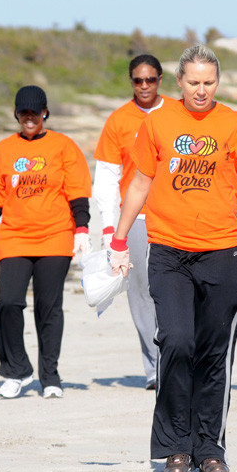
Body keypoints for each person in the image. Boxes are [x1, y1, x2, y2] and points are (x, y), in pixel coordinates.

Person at [109, 45, 237, 472]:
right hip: (169, 252)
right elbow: (139, 181)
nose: (201, 90)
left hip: (221, 253)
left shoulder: (233, 124)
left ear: (218, 82)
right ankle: (176, 448)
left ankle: (210, 449)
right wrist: (119, 239)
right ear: (179, 81)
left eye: (209, 82)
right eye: (193, 82)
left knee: (214, 354)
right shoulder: (157, 123)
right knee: (176, 343)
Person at [0, 85, 92, 400]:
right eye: (23, 112)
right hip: (14, 238)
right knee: (8, 304)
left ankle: (50, 376)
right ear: (16, 114)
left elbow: (78, 192)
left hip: (55, 236)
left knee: (48, 308)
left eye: (34, 112)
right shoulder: (3, 150)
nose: (29, 117)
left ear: (45, 113)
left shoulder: (64, 147)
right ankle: (17, 371)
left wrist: (82, 229)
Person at [93, 54, 172, 390]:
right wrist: (111, 230)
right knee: (141, 295)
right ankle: (155, 369)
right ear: (131, 81)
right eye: (137, 81)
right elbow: (107, 179)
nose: (144, 86)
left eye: (150, 80)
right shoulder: (118, 120)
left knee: (174, 292)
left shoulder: (176, 112)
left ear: (160, 80)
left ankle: (177, 360)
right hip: (135, 219)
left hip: (174, 216)